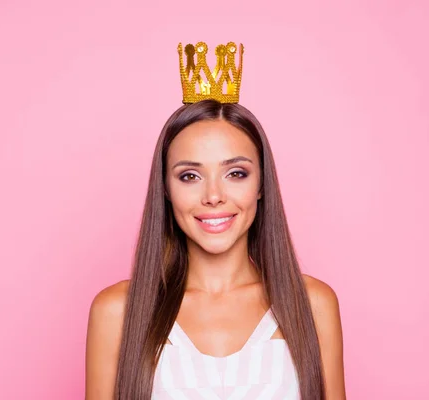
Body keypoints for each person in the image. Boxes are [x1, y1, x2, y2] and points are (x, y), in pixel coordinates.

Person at [86, 43, 345, 400]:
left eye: (235, 173)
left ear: (261, 185)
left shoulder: (313, 305)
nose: (213, 196)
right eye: (190, 176)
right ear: (165, 189)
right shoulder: (117, 312)